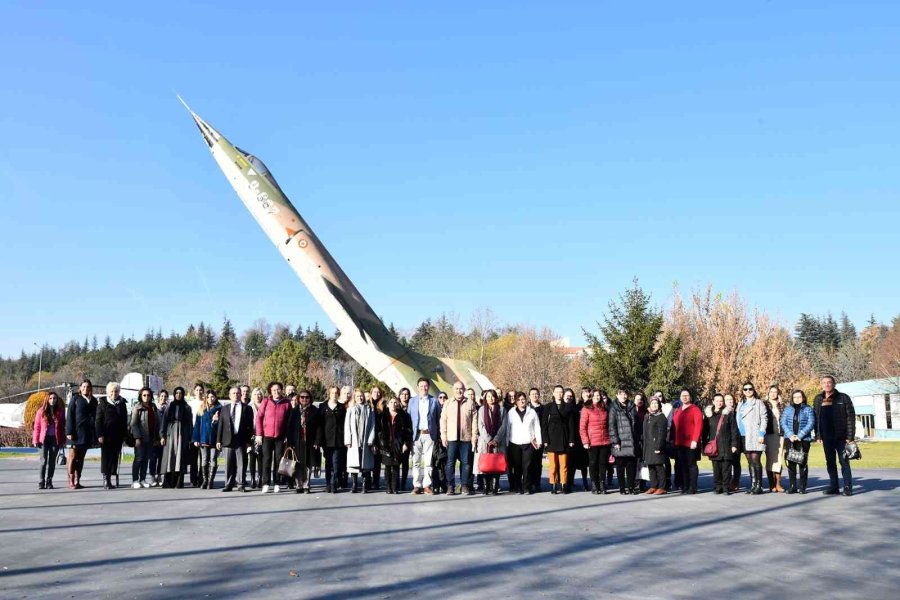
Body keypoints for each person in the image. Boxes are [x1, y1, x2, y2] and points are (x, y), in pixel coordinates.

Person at [813, 375, 856, 496]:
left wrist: (850, 436)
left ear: (834, 384)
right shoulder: (818, 399)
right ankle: (834, 486)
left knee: (844, 462)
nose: (827, 384)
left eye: (829, 382)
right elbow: (816, 419)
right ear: (821, 384)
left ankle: (847, 487)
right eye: (824, 382)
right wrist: (818, 435)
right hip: (826, 437)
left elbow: (851, 417)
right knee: (830, 462)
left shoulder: (843, 397)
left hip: (841, 436)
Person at [440, 381, 476, 495]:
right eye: (456, 389)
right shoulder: (448, 403)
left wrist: (474, 436)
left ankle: (464, 486)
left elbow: (474, 421)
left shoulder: (470, 403)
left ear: (464, 390)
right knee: (450, 463)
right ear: (453, 390)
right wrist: (443, 435)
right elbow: (443, 420)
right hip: (451, 438)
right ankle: (450, 486)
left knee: (466, 463)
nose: (458, 391)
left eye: (461, 389)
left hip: (466, 439)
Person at [256, 381, 291, 493]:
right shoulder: (266, 401)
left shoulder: (286, 403)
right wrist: (259, 434)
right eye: (274, 390)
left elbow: (289, 421)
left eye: (278, 389)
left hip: (280, 437)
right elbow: (259, 418)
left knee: (278, 460)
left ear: (281, 390)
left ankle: (277, 482)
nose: (276, 392)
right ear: (270, 391)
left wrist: (287, 435)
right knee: (266, 460)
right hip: (267, 436)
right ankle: (265, 483)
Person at [217, 386, 255, 492]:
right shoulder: (224, 408)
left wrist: (249, 441)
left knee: (241, 464)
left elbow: (250, 426)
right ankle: (228, 484)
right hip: (227, 440)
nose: (236, 395)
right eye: (233, 393)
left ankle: (241, 484)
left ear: (241, 394)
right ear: (229, 395)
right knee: (228, 464)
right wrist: (218, 440)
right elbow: (221, 425)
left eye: (238, 393)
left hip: (241, 440)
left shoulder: (247, 408)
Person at [408, 377, 440, 495]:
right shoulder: (412, 401)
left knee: (428, 462)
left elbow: (438, 418)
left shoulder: (434, 401)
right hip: (416, 435)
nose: (423, 388)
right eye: (421, 386)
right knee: (415, 462)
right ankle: (416, 485)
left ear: (428, 387)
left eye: (425, 386)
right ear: (417, 387)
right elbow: (408, 418)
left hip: (429, 435)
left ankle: (426, 485)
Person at [506, 392, 542, 494]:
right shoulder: (511, 413)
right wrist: (507, 443)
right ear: (516, 402)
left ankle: (527, 487)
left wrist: (538, 441)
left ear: (526, 400)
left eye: (523, 399)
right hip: (514, 442)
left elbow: (537, 427)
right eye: (519, 400)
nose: (521, 401)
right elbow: (508, 428)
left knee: (527, 466)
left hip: (528, 442)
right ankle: (518, 486)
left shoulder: (532, 412)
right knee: (517, 466)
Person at [703, 393, 739, 494]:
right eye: (717, 401)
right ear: (713, 401)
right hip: (714, 447)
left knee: (726, 468)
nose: (719, 403)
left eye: (721, 401)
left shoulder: (728, 414)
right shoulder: (709, 415)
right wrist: (704, 446)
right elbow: (705, 431)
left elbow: (734, 430)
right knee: (716, 468)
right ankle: (718, 486)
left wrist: (734, 444)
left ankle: (726, 487)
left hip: (727, 445)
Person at [781, 390, 815, 494]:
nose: (797, 399)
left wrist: (800, 435)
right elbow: (783, 422)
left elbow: (811, 423)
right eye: (795, 397)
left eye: (799, 397)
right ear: (792, 398)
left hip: (803, 439)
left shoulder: (808, 409)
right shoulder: (787, 409)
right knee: (791, 462)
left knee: (802, 463)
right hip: (789, 439)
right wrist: (790, 435)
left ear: (803, 397)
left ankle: (802, 487)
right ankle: (792, 486)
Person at [474, 389, 507, 495]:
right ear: (485, 398)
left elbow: (504, 426)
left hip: (498, 442)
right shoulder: (481, 410)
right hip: (485, 442)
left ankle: (495, 487)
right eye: (488, 396)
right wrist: (488, 439)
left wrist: (496, 439)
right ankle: (486, 487)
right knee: (486, 464)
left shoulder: (502, 409)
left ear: (496, 398)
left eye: (493, 396)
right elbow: (480, 426)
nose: (491, 398)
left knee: (496, 464)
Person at [96, 382, 128, 490]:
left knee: (114, 457)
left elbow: (124, 420)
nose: (114, 393)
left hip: (118, 435)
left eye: (116, 391)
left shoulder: (122, 403)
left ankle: (112, 476)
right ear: (108, 392)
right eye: (112, 391)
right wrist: (100, 434)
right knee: (106, 458)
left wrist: (124, 434)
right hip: (106, 435)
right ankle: (106, 479)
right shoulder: (102, 403)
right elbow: (98, 421)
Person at [66, 380, 97, 489]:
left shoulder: (93, 400)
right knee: (73, 456)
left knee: (81, 458)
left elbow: (96, 416)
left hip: (87, 433)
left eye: (88, 387)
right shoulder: (75, 399)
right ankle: (70, 479)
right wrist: (69, 431)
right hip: (75, 433)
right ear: (80, 388)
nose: (86, 388)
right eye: (83, 386)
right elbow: (69, 415)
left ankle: (77, 479)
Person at [609, 389, 641, 495]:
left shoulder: (632, 406)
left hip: (632, 441)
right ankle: (622, 487)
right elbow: (612, 426)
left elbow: (637, 424)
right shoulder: (614, 408)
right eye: (621, 394)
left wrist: (637, 438)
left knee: (631, 465)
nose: (624, 396)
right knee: (620, 466)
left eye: (625, 394)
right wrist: (615, 441)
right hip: (620, 442)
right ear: (617, 395)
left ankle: (631, 487)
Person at [737, 382, 768, 495]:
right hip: (743, 435)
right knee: (749, 461)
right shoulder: (740, 404)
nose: (748, 391)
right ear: (743, 391)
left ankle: (759, 485)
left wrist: (761, 433)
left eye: (750, 389)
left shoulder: (759, 403)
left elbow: (764, 418)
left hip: (755, 434)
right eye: (745, 389)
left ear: (754, 390)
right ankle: (753, 484)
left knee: (755, 459)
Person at [287, 389, 320, 493]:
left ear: (310, 399)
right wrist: (290, 442)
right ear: (298, 399)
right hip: (297, 441)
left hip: (310, 441)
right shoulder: (294, 411)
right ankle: (299, 485)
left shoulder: (315, 410)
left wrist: (317, 441)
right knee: (298, 464)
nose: (304, 399)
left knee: (308, 464)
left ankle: (306, 485)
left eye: (307, 397)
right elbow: (289, 427)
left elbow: (319, 427)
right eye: (302, 397)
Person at [541, 385, 572, 495]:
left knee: (563, 465)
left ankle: (564, 484)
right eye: (557, 392)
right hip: (551, 439)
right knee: (553, 465)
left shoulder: (568, 407)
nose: (559, 394)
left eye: (561, 392)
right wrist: (545, 439)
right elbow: (544, 424)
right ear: (553, 393)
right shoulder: (548, 407)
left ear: (563, 394)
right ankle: (553, 484)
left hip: (564, 438)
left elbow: (571, 424)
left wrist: (571, 439)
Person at [671, 389, 702, 494]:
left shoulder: (695, 409)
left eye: (687, 395)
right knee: (683, 466)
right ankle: (685, 486)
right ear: (680, 397)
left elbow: (698, 425)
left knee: (691, 465)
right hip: (679, 443)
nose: (684, 397)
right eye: (682, 395)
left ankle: (693, 487)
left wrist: (695, 440)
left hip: (691, 443)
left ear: (690, 397)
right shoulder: (678, 410)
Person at [160, 387, 193, 488]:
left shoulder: (187, 407)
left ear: (183, 394)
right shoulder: (169, 406)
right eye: (176, 393)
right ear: (174, 394)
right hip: (170, 432)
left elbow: (190, 423)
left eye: (180, 393)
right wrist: (162, 435)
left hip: (182, 433)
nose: (178, 395)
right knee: (170, 456)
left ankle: (178, 482)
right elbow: (164, 422)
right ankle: (168, 481)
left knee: (180, 456)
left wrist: (189, 437)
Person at [345, 389, 376, 493]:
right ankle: (354, 485)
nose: (360, 398)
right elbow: (347, 425)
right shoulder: (351, 409)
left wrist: (370, 439)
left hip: (365, 440)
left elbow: (373, 425)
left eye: (361, 396)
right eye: (357, 396)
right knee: (354, 463)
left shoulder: (369, 409)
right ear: (354, 397)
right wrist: (348, 440)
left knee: (365, 464)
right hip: (354, 441)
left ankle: (364, 485)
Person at [579, 389, 611, 494]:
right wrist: (585, 441)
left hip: (605, 441)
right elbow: (582, 427)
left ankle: (602, 483)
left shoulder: (604, 408)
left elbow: (608, 425)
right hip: (592, 442)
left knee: (603, 464)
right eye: (595, 395)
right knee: (593, 463)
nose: (597, 397)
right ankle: (594, 484)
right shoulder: (586, 409)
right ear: (591, 397)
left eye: (598, 395)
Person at [378, 397, 412, 494]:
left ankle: (395, 487)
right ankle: (388, 487)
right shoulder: (382, 416)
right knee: (388, 467)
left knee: (396, 466)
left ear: (398, 404)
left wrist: (406, 443)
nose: (393, 404)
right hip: (386, 445)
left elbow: (407, 431)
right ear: (388, 404)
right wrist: (381, 441)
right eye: (391, 402)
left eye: (395, 402)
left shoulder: (403, 416)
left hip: (398, 445)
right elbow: (379, 430)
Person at [33, 390, 66, 490]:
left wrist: (62, 441)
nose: (52, 400)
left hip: (54, 439)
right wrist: (35, 440)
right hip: (43, 440)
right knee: (43, 461)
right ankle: (41, 481)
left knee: (52, 462)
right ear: (47, 399)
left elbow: (62, 427)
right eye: (50, 398)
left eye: (54, 398)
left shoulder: (60, 412)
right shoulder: (41, 411)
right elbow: (37, 426)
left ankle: (49, 481)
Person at [129, 387, 160, 489]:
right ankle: (135, 480)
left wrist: (158, 437)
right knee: (139, 459)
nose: (146, 397)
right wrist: (137, 437)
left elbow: (158, 422)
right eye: (144, 395)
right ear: (140, 396)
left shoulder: (153, 407)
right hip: (140, 439)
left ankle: (142, 479)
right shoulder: (137, 408)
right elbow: (133, 424)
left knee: (146, 459)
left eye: (148, 395)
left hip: (151, 438)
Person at [193, 390, 222, 489]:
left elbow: (222, 425)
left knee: (213, 459)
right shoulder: (201, 408)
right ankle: (205, 480)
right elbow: (197, 425)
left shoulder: (220, 408)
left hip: (214, 439)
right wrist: (196, 438)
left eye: (213, 397)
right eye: (209, 397)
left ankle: (211, 481)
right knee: (204, 459)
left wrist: (216, 421)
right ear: (206, 398)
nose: (211, 399)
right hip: (203, 438)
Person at [319, 386, 346, 493]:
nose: (334, 395)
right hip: (326, 440)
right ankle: (328, 484)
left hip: (338, 440)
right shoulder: (323, 406)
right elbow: (320, 424)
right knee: (328, 463)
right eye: (332, 393)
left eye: (336, 393)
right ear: (329, 394)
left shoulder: (341, 407)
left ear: (338, 394)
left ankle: (334, 483)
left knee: (336, 463)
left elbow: (345, 423)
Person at [564, 388, 589, 492]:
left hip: (583, 438)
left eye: (587, 392)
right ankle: (569, 482)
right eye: (583, 392)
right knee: (570, 463)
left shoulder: (583, 407)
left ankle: (585, 482)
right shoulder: (576, 407)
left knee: (584, 463)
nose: (585, 394)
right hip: (571, 438)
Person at [642, 397, 668, 495]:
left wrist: (659, 447)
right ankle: (654, 485)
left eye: (656, 403)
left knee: (659, 466)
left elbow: (662, 433)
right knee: (651, 466)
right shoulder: (648, 416)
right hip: (648, 446)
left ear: (659, 405)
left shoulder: (661, 417)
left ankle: (662, 487)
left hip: (657, 445)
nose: (654, 405)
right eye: (652, 403)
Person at [764, 385, 785, 492]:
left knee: (779, 459)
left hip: (780, 436)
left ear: (778, 393)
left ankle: (778, 484)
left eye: (775, 392)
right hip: (768, 435)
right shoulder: (764, 404)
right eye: (771, 392)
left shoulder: (782, 405)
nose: (773, 394)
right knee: (770, 459)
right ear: (768, 393)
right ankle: (771, 484)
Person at [149, 389, 168, 487]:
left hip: (164, 437)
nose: (163, 398)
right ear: (158, 397)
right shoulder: (154, 408)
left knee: (161, 458)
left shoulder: (169, 408)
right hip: (154, 437)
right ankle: (152, 476)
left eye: (165, 396)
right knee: (153, 458)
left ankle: (159, 475)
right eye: (161, 396)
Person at [187, 383, 205, 487]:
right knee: (193, 459)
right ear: (194, 391)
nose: (199, 392)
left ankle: (201, 479)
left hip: (203, 432)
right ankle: (192, 480)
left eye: (200, 390)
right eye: (197, 390)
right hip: (192, 431)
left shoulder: (205, 402)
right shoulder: (190, 403)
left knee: (203, 458)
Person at [244, 387, 263, 489]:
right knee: (252, 457)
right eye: (255, 394)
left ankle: (260, 478)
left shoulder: (265, 406)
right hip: (251, 435)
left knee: (260, 457)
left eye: (259, 394)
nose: (257, 396)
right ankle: (252, 479)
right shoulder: (249, 407)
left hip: (262, 435)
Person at [723, 394, 742, 492]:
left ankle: (735, 481)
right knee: (727, 462)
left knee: (736, 462)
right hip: (725, 441)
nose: (729, 401)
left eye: (731, 399)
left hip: (737, 440)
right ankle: (727, 481)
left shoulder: (738, 411)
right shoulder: (723, 413)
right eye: (727, 399)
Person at [527, 387, 544, 493]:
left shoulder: (543, 408)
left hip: (539, 439)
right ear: (529, 396)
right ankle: (529, 483)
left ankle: (537, 484)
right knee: (529, 463)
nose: (534, 395)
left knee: (538, 463)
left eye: (536, 394)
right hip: (528, 439)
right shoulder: (526, 408)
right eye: (532, 394)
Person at [432, 392, 448, 494]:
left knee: (445, 464)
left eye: (444, 397)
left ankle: (445, 485)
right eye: (440, 397)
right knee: (436, 463)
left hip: (446, 440)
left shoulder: (449, 409)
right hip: (436, 440)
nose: (442, 399)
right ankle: (436, 485)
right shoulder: (434, 410)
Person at [369, 386, 385, 490]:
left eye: (378, 392)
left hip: (379, 437)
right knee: (368, 460)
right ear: (371, 393)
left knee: (377, 461)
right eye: (374, 392)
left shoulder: (383, 405)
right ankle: (367, 481)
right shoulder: (367, 404)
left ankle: (375, 482)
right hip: (369, 435)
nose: (377, 394)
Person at [397, 387, 412, 490]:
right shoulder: (396, 406)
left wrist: (407, 441)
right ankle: (396, 482)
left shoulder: (411, 407)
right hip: (397, 438)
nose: (404, 396)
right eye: (402, 394)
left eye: (406, 394)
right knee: (397, 461)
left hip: (407, 437)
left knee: (405, 462)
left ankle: (403, 482)